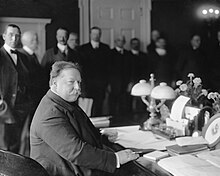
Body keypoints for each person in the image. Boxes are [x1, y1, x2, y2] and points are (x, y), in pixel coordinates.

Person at [30, 61, 139, 176]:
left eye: (79, 82)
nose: (78, 88)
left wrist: (102, 137)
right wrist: (115, 159)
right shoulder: (50, 113)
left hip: (73, 166)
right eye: (71, 82)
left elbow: (78, 132)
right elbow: (76, 151)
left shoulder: (62, 102)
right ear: (54, 83)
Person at [0, 24, 32, 153]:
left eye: (17, 35)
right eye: (11, 35)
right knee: (4, 145)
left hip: (21, 108)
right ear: (4, 36)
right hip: (4, 109)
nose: (14, 38)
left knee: (19, 145)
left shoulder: (24, 57)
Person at [18, 30, 46, 156]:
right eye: (34, 40)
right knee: (25, 134)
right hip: (28, 102)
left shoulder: (33, 56)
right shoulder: (22, 56)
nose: (37, 42)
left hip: (34, 101)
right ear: (28, 42)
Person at [78, 26, 111, 116]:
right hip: (88, 84)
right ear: (90, 35)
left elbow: (108, 67)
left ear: (100, 35)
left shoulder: (106, 48)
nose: (96, 36)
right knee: (88, 108)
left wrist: (106, 83)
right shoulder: (83, 49)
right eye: (94, 34)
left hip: (101, 84)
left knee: (99, 107)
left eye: (98, 34)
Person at [108, 35, 132, 116]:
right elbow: (107, 70)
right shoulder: (110, 53)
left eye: (122, 40)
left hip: (125, 84)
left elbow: (131, 70)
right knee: (113, 106)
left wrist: (130, 83)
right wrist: (108, 84)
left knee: (125, 105)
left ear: (124, 42)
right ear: (115, 42)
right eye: (118, 40)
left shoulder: (128, 54)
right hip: (113, 84)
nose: (120, 42)